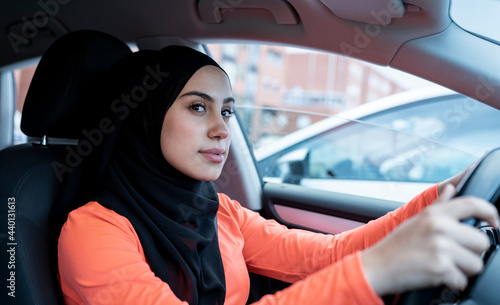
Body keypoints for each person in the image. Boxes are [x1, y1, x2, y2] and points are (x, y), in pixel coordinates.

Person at [57, 45, 499, 305]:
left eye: (227, 110)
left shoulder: (217, 210)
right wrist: (373, 272)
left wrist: (444, 193)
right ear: (144, 118)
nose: (221, 128)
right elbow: (349, 268)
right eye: (198, 106)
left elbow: (327, 256)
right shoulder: (92, 233)